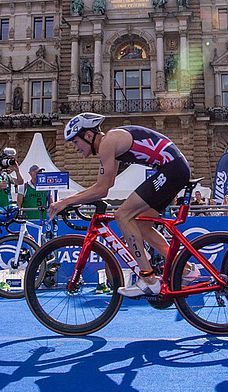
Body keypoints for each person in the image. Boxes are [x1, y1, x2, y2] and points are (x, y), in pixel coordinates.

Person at [48, 113, 192, 297]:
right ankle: (186, 269)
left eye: (76, 142)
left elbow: (101, 190)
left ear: (89, 136)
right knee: (141, 224)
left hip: (171, 169)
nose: (76, 148)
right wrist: (70, 200)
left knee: (123, 215)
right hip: (174, 169)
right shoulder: (112, 143)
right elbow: (106, 185)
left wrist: (65, 202)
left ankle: (148, 279)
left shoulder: (108, 142)